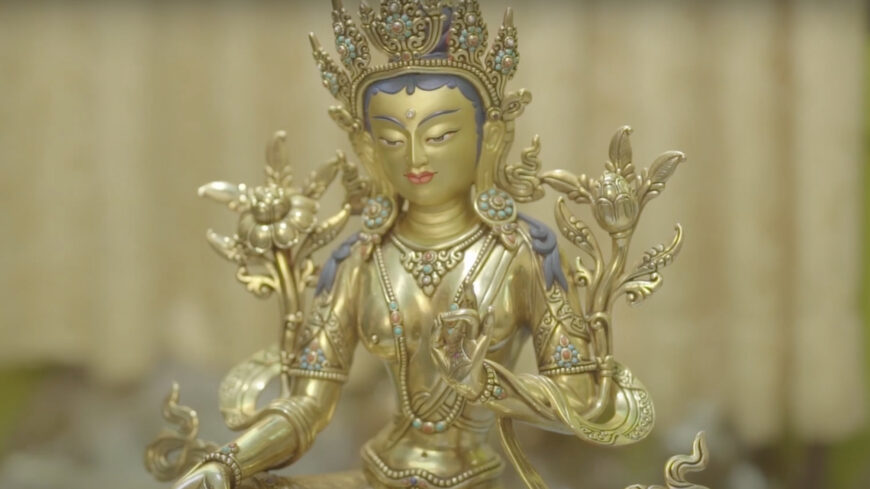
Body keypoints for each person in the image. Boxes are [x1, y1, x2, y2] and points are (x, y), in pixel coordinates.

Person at [171, 2, 664, 488]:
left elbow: (579, 401)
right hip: (376, 475)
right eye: (391, 139)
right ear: (366, 150)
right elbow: (307, 406)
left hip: (473, 478)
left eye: (439, 134)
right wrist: (227, 463)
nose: (414, 158)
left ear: (490, 138)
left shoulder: (525, 253)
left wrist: (485, 384)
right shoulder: (358, 259)